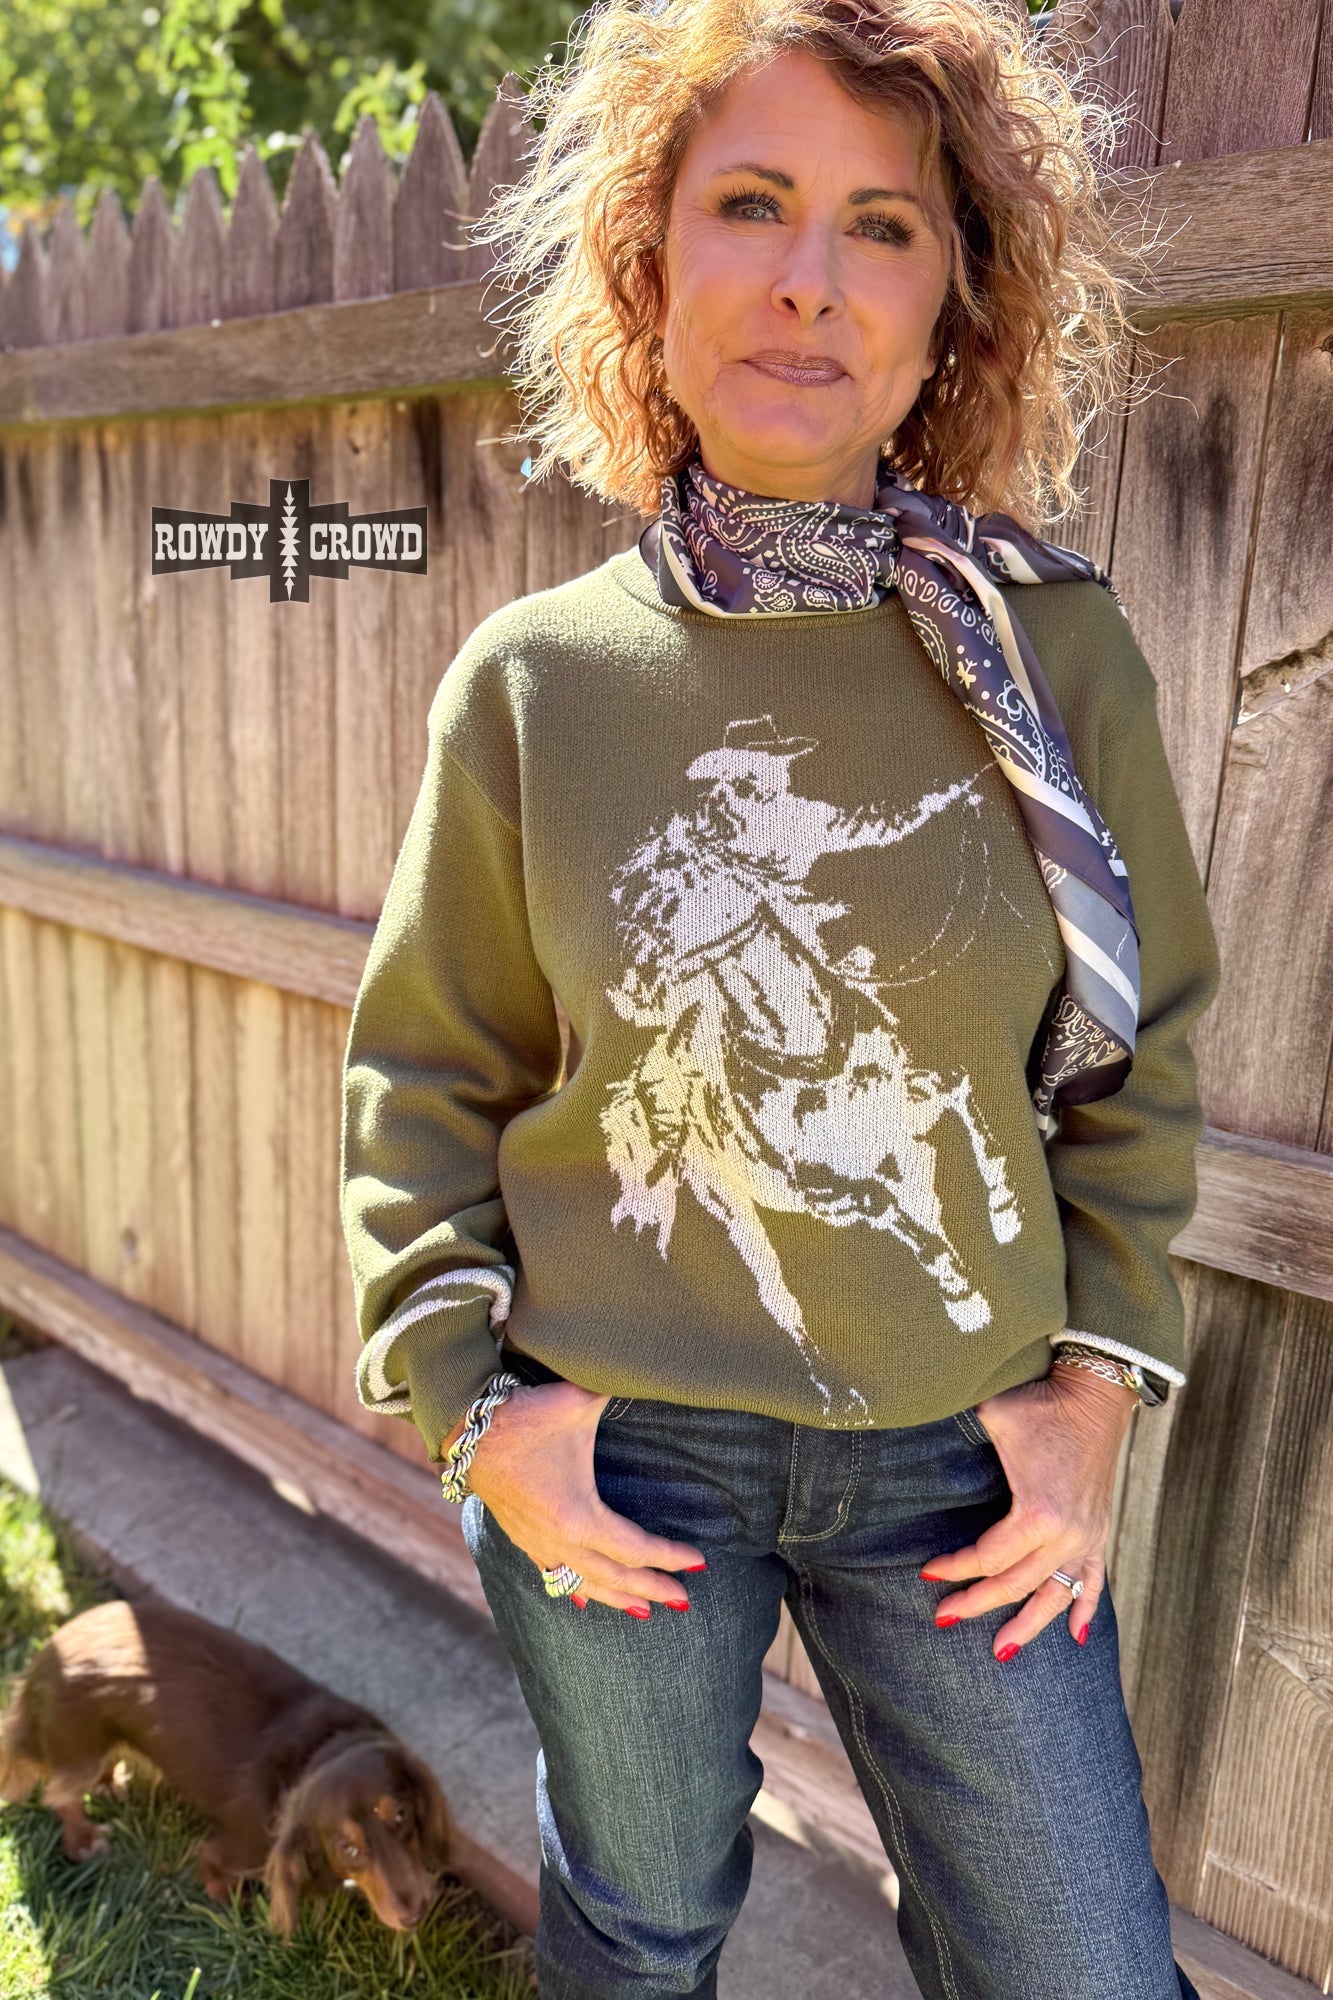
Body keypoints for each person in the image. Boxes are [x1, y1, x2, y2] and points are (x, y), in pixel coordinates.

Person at [339, 2, 1221, 1993]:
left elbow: (1139, 1047)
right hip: (619, 1447)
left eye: (879, 225)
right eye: (750, 204)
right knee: (642, 1925)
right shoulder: (536, 683)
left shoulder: (1050, 659)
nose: (809, 277)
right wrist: (479, 1413)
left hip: (961, 1457)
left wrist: (1094, 1392)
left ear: (950, 309)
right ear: (648, 272)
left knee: (1080, 1965)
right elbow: (426, 1071)